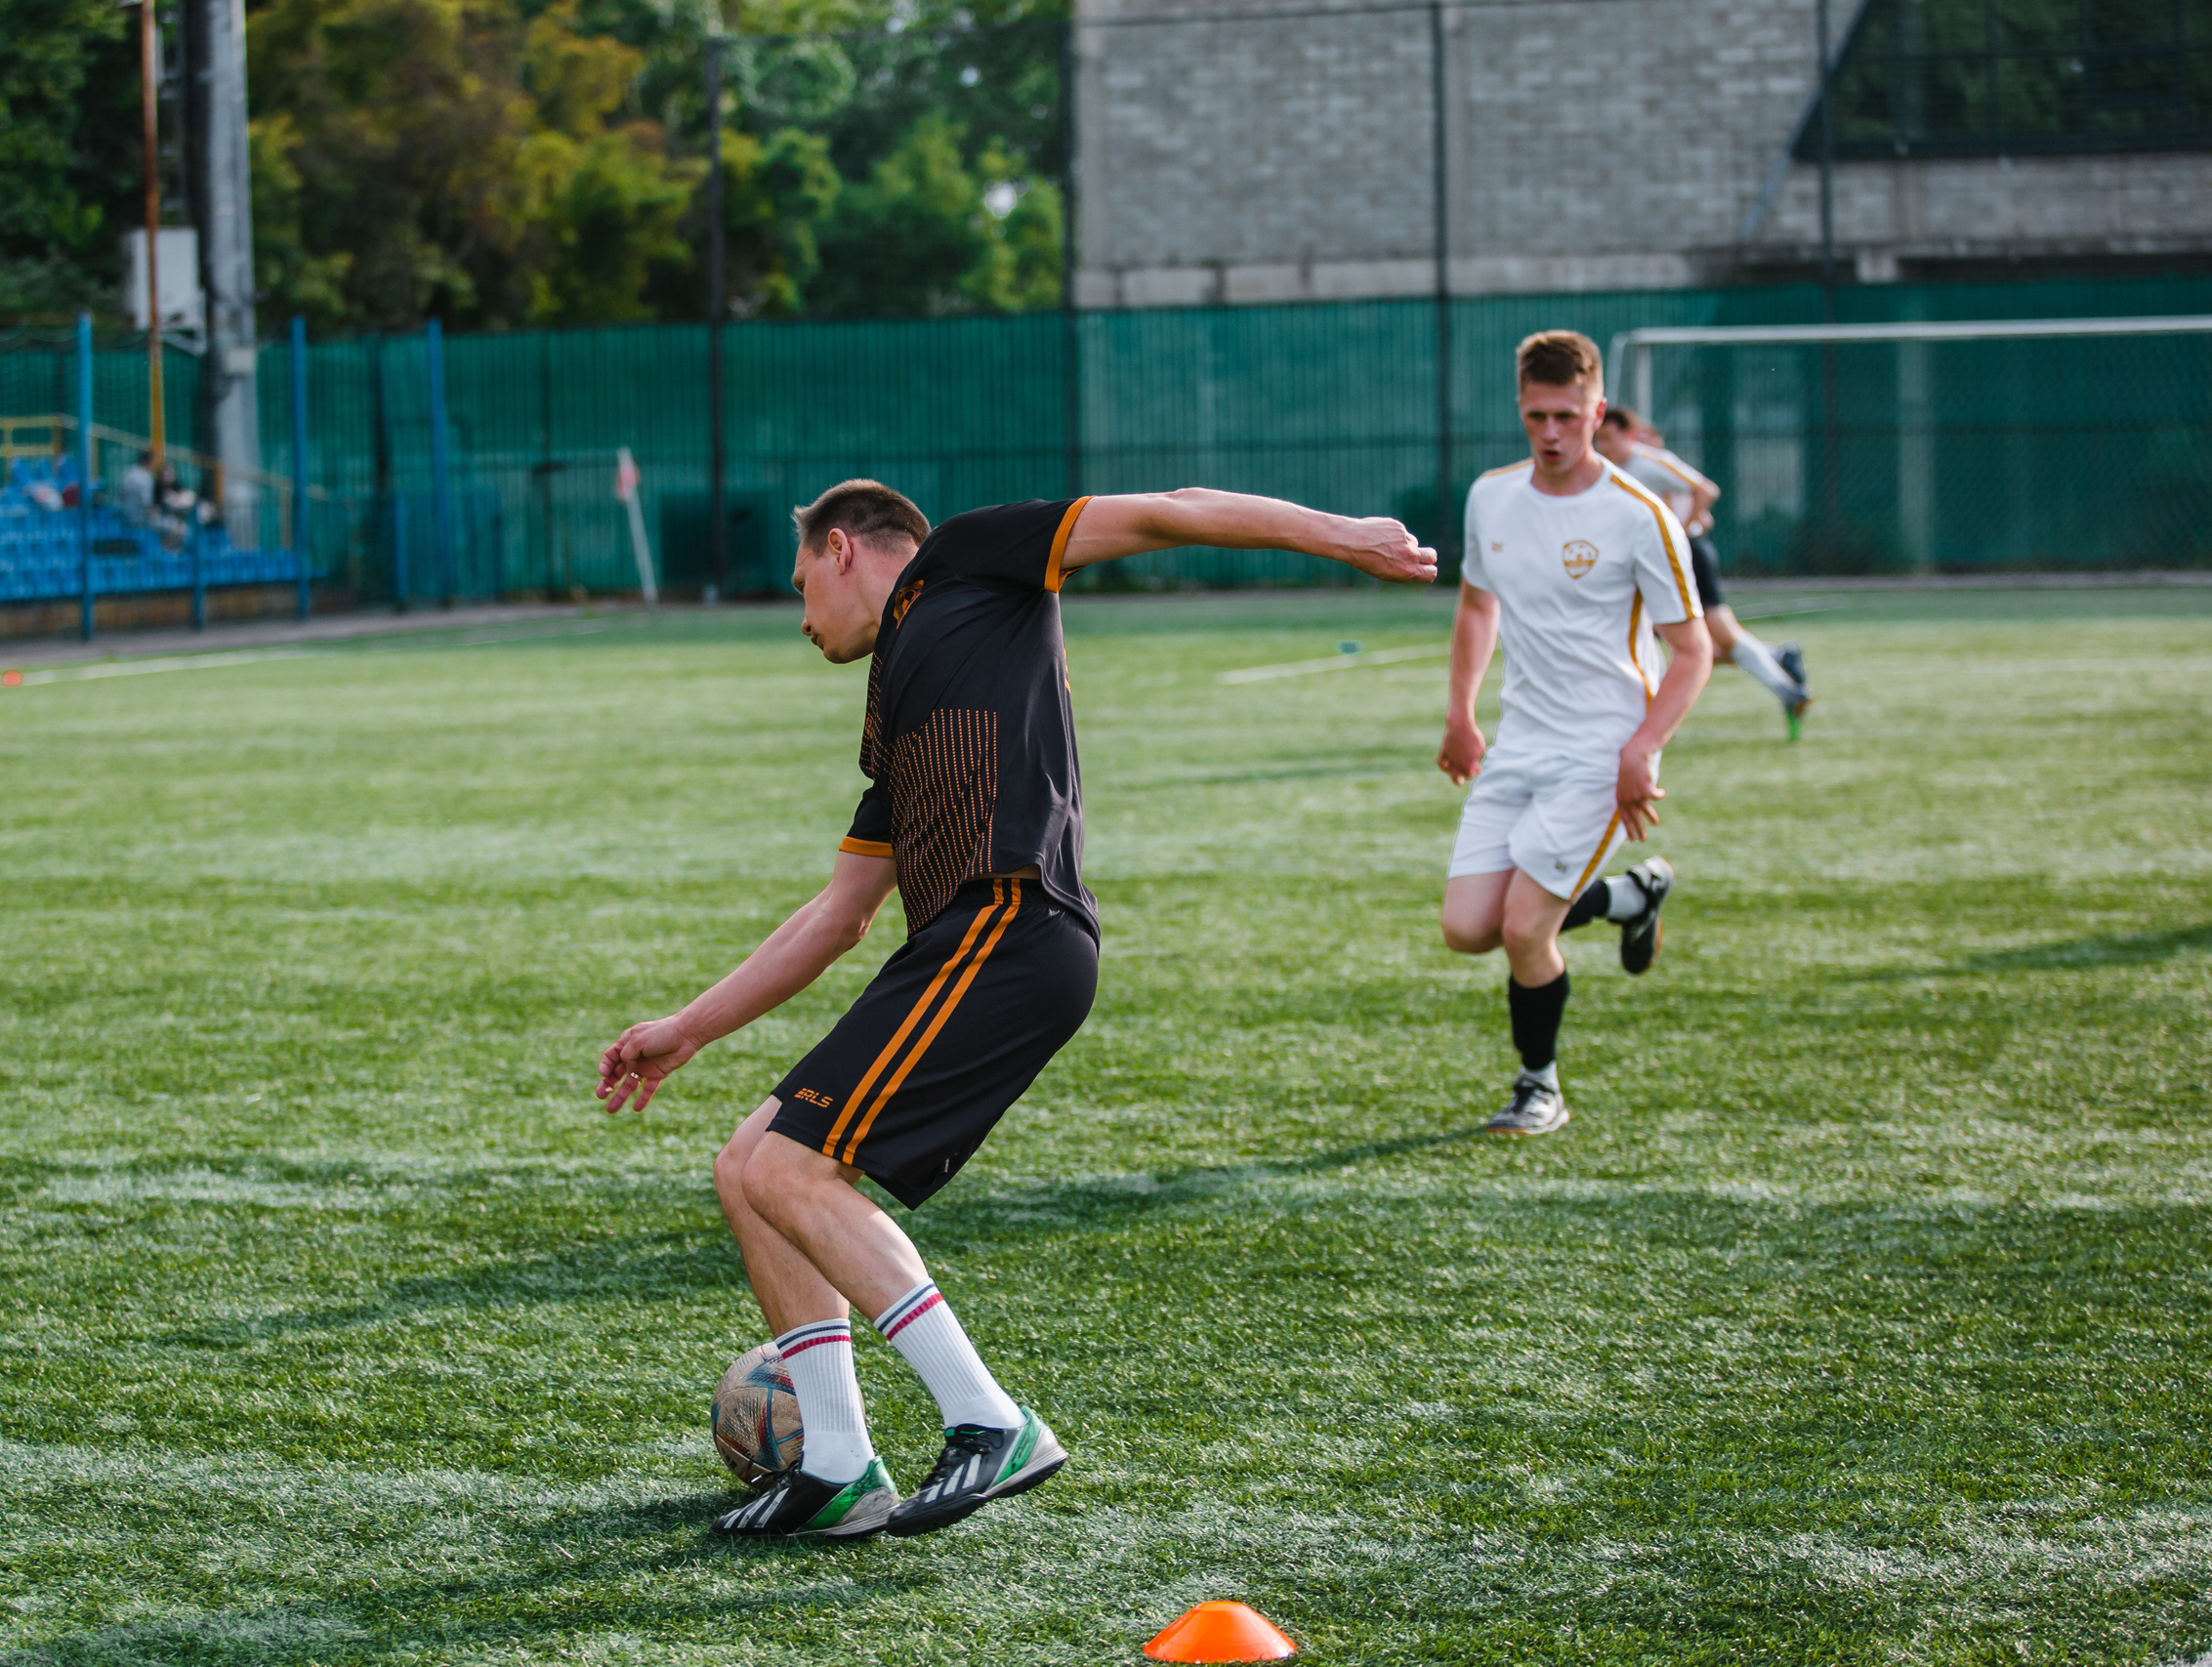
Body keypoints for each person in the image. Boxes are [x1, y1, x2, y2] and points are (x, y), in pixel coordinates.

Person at [598, 479, 1435, 1539]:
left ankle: (988, 1420)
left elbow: (1169, 509)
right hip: (955, 947)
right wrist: (687, 1029)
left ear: (843, 546)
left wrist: (1341, 530)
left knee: (789, 1168)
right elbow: (842, 914)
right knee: (748, 1164)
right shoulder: (895, 708)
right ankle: (840, 1467)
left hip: (1013, 925)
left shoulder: (972, 557)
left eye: (800, 582)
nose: (800, 615)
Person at [1438, 331, 1713, 1138]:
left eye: (1566, 416)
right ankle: (1633, 896)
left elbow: (1692, 652)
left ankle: (1539, 1086)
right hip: (1520, 739)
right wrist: (1460, 711)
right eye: (1535, 418)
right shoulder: (1491, 497)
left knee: (1526, 928)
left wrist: (1644, 746)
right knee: (1467, 928)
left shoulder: (1640, 516)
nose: (1550, 434)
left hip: (1601, 746)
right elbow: (1477, 605)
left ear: (1599, 411)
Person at [1596, 408, 1812, 738]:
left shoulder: (1649, 462)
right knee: (1675, 640)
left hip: (1685, 555)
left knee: (1713, 637)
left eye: (1607, 438)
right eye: (1599, 439)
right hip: (1651, 562)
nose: (1602, 445)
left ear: (1629, 436)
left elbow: (1705, 489)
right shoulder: (1607, 471)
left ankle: (1785, 686)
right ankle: (1779, 661)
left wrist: (1682, 531)